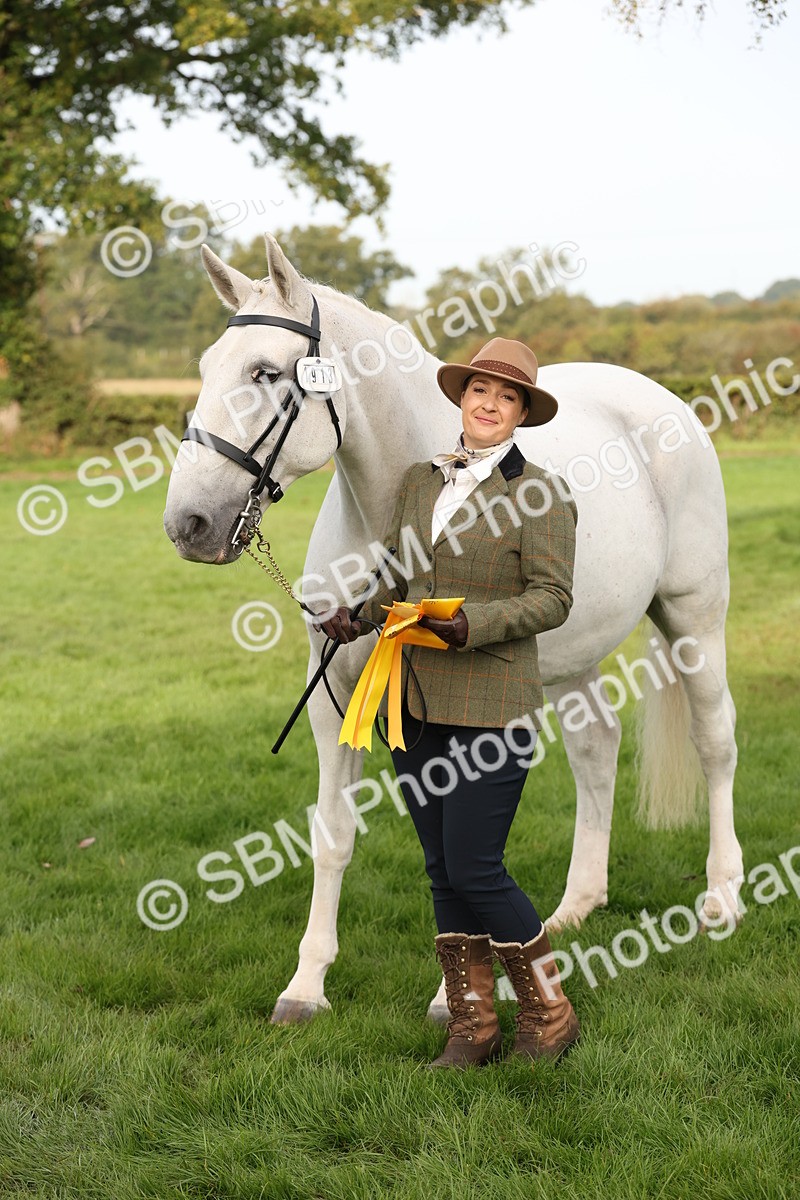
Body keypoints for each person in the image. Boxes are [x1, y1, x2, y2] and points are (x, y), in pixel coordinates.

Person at [315, 337, 580, 1069]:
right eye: (480, 392)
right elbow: (399, 577)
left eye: (507, 397)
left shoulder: (544, 495)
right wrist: (358, 615)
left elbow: (553, 598)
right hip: (415, 702)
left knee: (475, 868)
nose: (490, 405)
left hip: (494, 704)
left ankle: (549, 1013)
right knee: (441, 869)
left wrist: (474, 623)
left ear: (522, 413)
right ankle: (473, 1027)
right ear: (461, 398)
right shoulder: (418, 482)